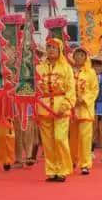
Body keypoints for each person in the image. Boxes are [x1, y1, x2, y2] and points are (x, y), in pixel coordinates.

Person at [35, 38, 75, 183]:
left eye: (54, 47)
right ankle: (51, 171)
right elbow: (34, 88)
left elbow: (71, 90)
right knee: (47, 141)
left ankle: (63, 169)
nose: (51, 50)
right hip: (44, 107)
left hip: (61, 107)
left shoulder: (66, 68)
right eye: (49, 47)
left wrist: (64, 106)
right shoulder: (39, 68)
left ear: (59, 50)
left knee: (59, 138)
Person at [69, 47, 98, 175]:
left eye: (82, 55)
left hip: (85, 109)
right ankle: (72, 160)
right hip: (71, 108)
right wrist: (71, 99)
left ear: (86, 58)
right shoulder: (68, 71)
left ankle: (85, 164)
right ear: (73, 56)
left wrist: (84, 99)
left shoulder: (91, 72)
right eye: (77, 54)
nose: (79, 57)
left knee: (85, 138)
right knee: (72, 137)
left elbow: (94, 90)